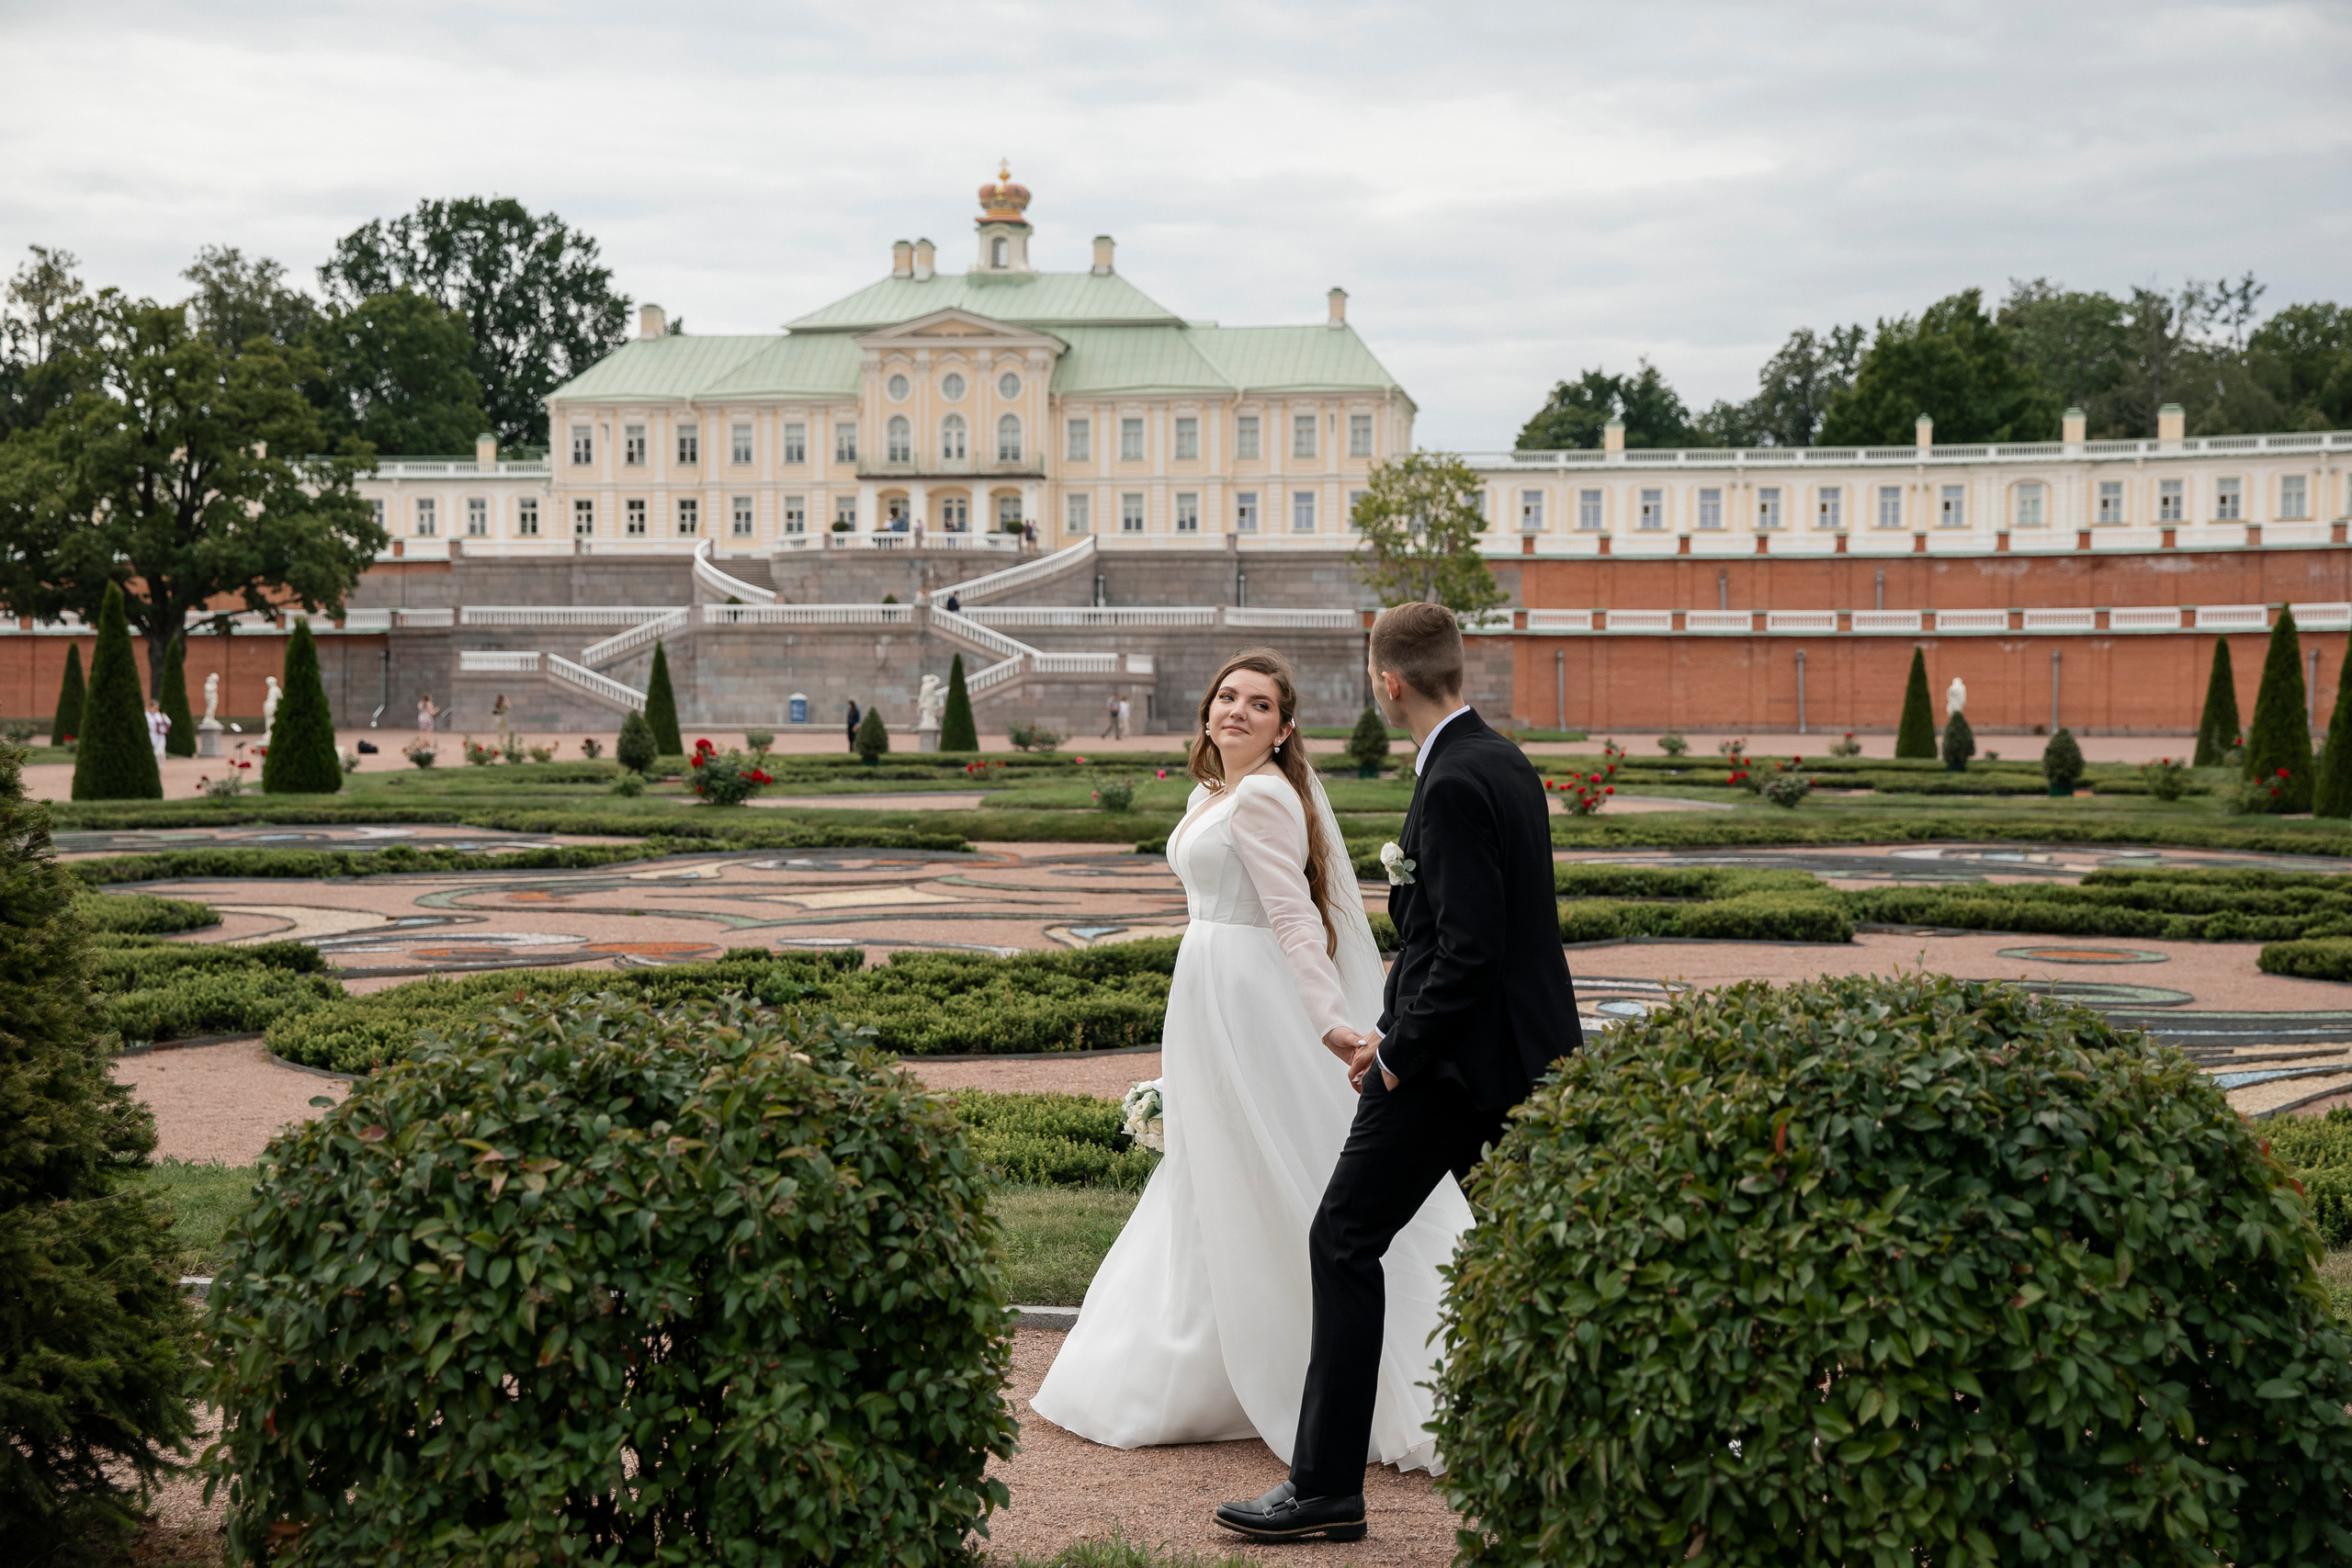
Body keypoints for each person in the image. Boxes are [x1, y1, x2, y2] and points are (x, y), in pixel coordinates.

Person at [1030, 649, 1468, 1503]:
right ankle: (1210, 1356)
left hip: (1250, 998)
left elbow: (1296, 920)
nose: (1236, 711)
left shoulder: (1266, 795)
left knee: (1277, 1164)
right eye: (1226, 696)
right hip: (1206, 990)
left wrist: (1329, 1021)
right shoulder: (1213, 794)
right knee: (1216, 1169)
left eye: (1258, 704)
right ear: (1206, 712)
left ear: (1284, 726)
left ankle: (1343, 1368)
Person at [1212, 604, 1584, 1545]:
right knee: (1548, 1256)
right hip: (1518, 1058)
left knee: (1341, 1238)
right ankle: (1589, 1457)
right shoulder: (1501, 759)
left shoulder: (1453, 781)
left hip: (1451, 1069)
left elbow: (1465, 950)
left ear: (1387, 684)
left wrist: (1397, 1052)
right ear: (1458, 669)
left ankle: (1325, 1488)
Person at [145, 697, 170, 761]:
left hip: (160, 737)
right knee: (152, 754)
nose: (156, 709)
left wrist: (163, 718)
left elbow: (169, 722)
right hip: (150, 735)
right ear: (150, 707)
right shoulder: (146, 715)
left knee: (161, 754)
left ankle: (159, 768)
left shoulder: (159, 714)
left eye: (157, 708)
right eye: (155, 708)